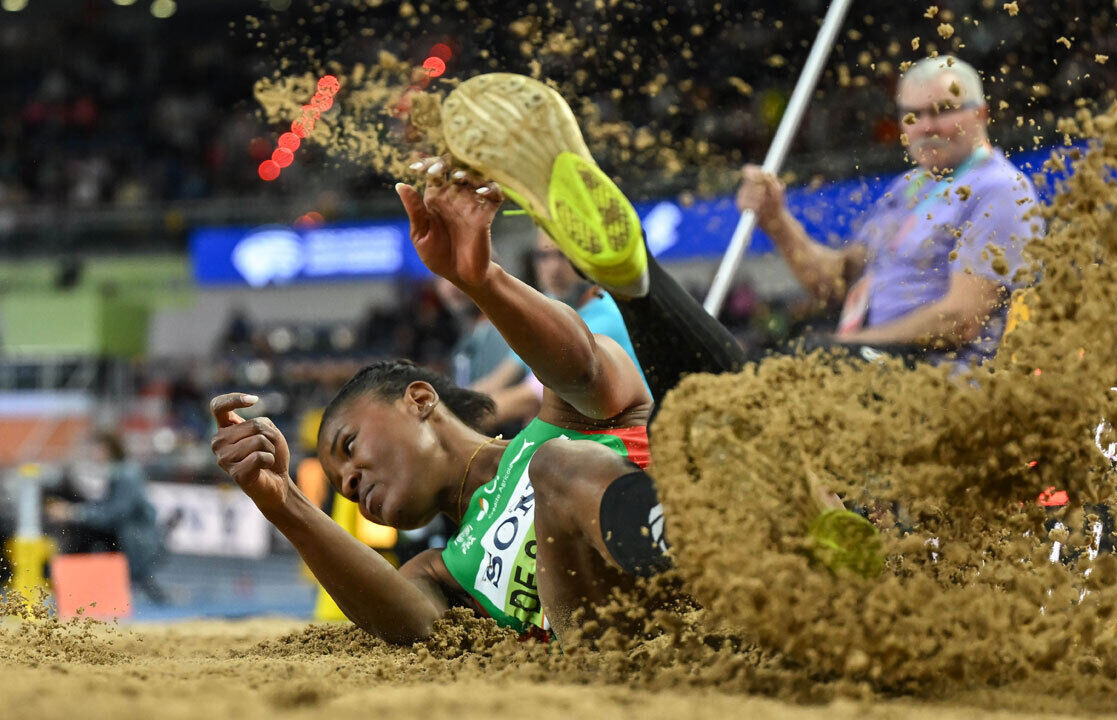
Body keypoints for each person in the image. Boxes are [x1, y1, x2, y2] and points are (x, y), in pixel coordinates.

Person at [210, 72, 876, 644]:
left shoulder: (552, 427)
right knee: (560, 469)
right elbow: (410, 626)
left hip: (732, 544)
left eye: (349, 446)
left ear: (420, 401)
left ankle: (630, 277)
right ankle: (635, 281)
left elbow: (584, 367)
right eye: (341, 481)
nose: (350, 482)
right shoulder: (441, 572)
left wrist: (481, 280)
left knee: (686, 421)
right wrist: (285, 503)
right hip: (637, 650)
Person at [736, 55, 1039, 367]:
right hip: (878, 361)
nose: (926, 126)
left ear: (981, 113)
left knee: (799, 367)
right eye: (912, 115)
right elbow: (837, 283)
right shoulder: (907, 188)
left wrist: (847, 345)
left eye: (943, 111)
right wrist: (776, 222)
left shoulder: (1000, 189)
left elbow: (961, 318)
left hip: (937, 376)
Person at [470, 230, 652, 428]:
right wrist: (450, 403)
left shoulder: (605, 316)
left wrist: (453, 420)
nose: (554, 268)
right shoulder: (549, 303)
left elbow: (528, 397)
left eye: (564, 255)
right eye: (543, 256)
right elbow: (500, 378)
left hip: (625, 440)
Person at [47, 432, 166, 602]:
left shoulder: (126, 475)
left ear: (108, 449)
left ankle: (73, 590)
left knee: (81, 533)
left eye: (95, 449)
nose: (92, 454)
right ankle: (73, 589)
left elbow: (112, 513)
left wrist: (72, 513)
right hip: (128, 533)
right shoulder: (120, 472)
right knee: (81, 530)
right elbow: (107, 508)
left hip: (136, 539)